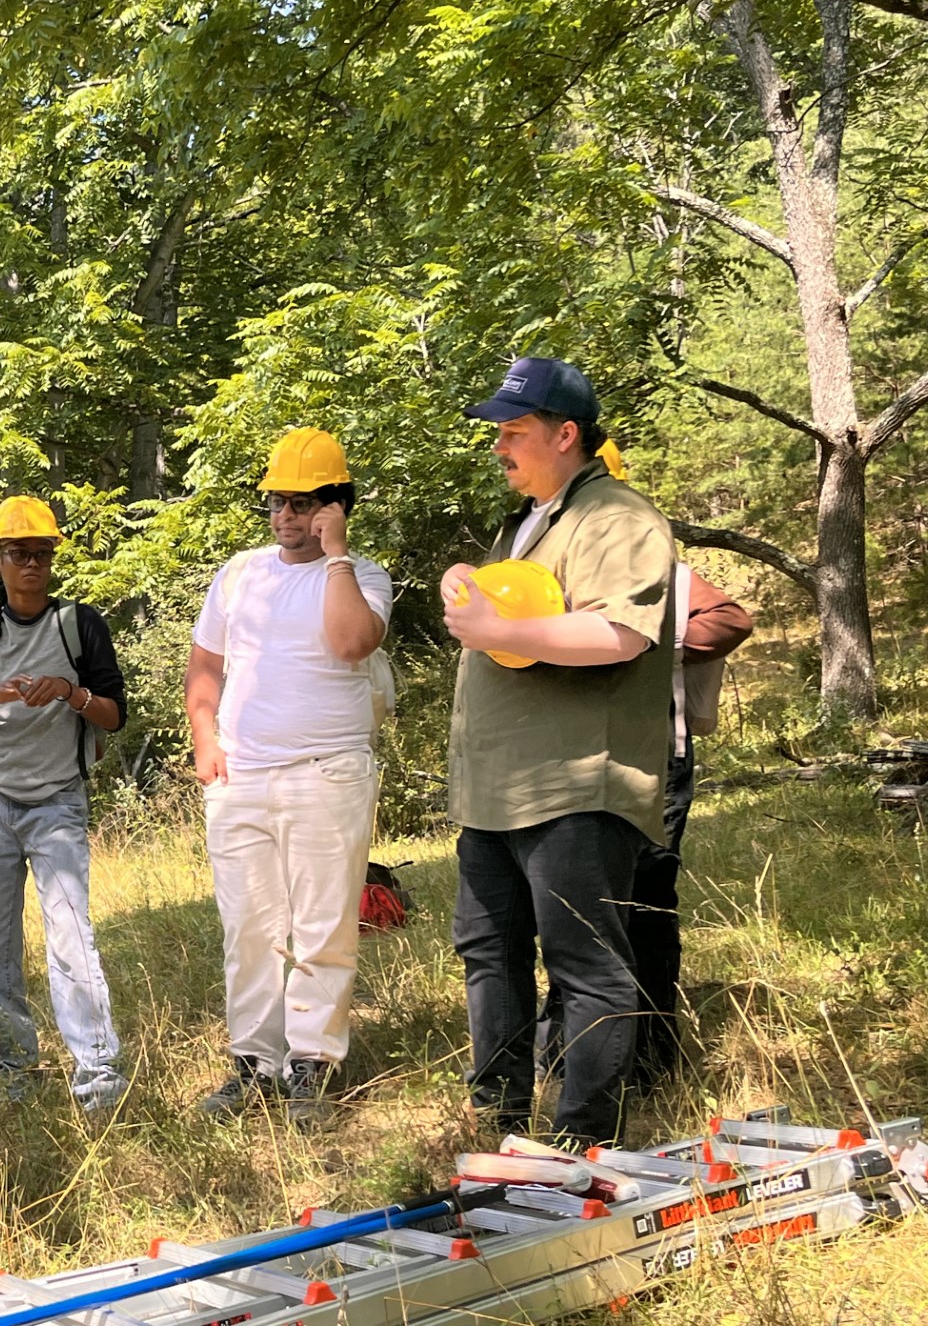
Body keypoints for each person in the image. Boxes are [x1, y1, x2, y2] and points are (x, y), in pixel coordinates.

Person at [443, 358, 675, 1147]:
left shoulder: (617, 517)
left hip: (575, 785)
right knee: (488, 954)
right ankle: (498, 1125)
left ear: (566, 433)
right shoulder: (530, 520)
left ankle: (584, 1138)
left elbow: (617, 633)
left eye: (514, 431)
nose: (499, 447)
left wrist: (500, 632)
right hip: (496, 791)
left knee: (584, 963)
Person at [183, 429, 393, 1121]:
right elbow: (205, 663)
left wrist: (333, 558)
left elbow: (350, 642)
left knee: (322, 926)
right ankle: (254, 1065)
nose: (284, 517)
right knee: (247, 927)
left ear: (337, 506)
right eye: (276, 502)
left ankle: (312, 1065)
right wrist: (205, 741)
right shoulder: (240, 572)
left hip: (326, 773)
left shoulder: (363, 576)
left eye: (303, 504)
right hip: (240, 776)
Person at [538, 443, 755, 1088]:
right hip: (575, 762)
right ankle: (572, 1048)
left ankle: (654, 1053)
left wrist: (656, 646)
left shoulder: (658, 566)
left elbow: (730, 618)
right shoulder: (546, 563)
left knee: (648, 900)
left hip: (656, 757)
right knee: (577, 908)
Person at [0, 496, 132, 1116]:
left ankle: (98, 1078)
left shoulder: (80, 626)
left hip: (58, 802)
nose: (32, 565)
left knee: (71, 935)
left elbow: (115, 714)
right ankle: (15, 1071)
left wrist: (72, 693)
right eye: (19, 553)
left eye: (42, 554)